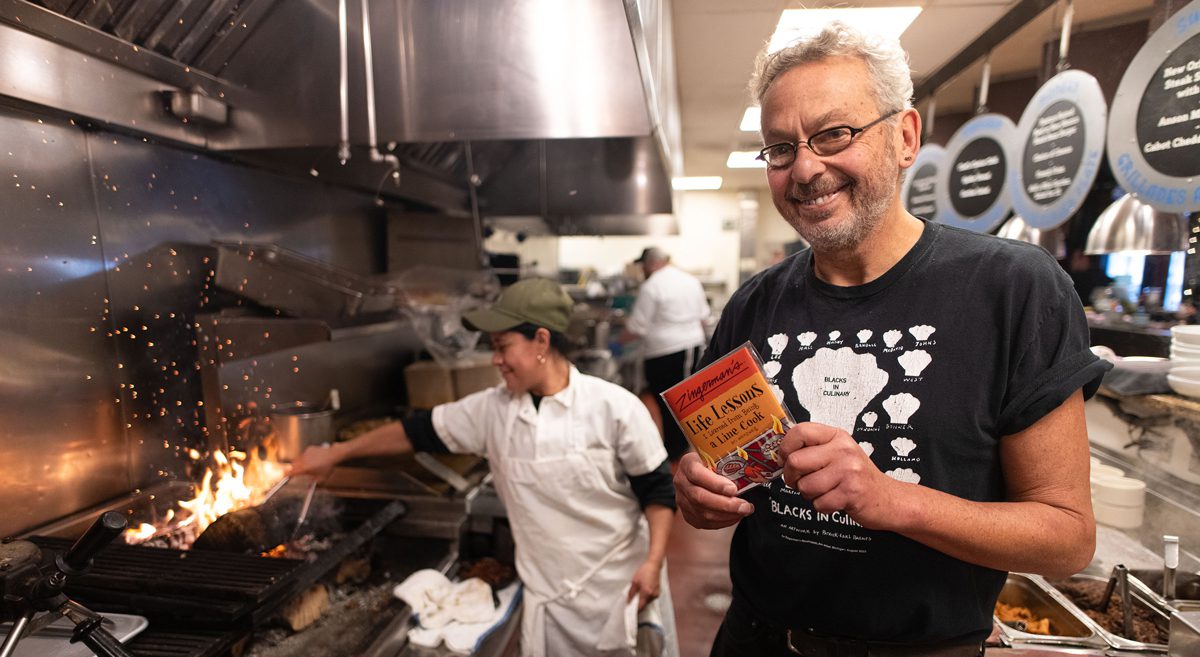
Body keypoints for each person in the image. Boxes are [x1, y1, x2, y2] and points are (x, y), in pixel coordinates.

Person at [673, 22, 1112, 657]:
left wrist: (889, 499)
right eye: (779, 148)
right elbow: (725, 468)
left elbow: (1067, 538)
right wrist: (699, 491)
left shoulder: (1013, 288)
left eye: (834, 134)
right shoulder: (755, 304)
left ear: (904, 137)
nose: (805, 168)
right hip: (756, 637)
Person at [292, 278, 679, 657]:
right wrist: (335, 454)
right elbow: (416, 431)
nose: (495, 359)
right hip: (552, 606)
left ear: (541, 341)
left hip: (621, 590)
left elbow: (658, 490)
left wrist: (653, 562)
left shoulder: (614, 408)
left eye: (502, 346)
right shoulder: (493, 410)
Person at [621, 246, 711, 460]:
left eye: (643, 265)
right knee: (685, 400)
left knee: (671, 402)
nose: (643, 269)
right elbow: (703, 318)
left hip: (664, 352)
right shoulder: (690, 280)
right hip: (691, 346)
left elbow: (637, 327)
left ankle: (677, 453)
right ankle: (686, 449)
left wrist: (616, 342)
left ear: (651, 263)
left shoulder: (651, 286)